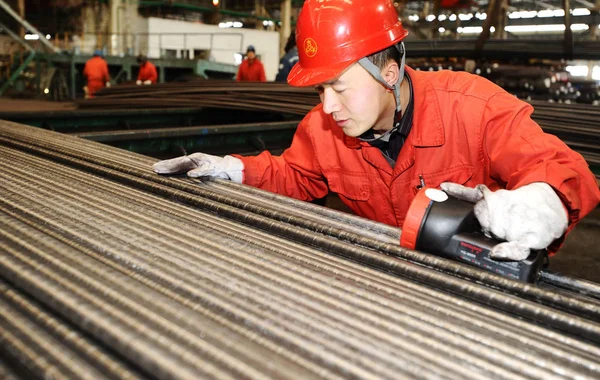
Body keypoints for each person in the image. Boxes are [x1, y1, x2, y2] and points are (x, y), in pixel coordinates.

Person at [153, 0, 600, 261]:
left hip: (476, 291)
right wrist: (232, 170)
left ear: (389, 72)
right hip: (388, 284)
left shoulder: (472, 106)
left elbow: (559, 167)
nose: (327, 106)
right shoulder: (324, 128)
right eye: (320, 90)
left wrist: (542, 202)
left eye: (338, 87)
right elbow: (297, 176)